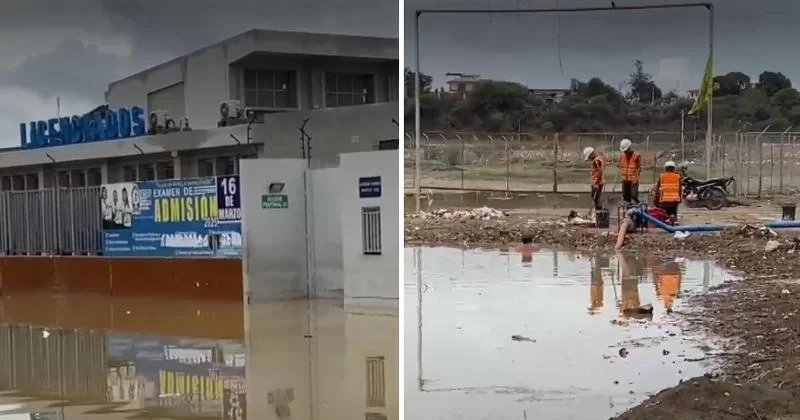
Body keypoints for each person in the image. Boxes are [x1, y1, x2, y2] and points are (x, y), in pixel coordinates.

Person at [618, 138, 641, 204]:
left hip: (633, 180)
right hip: (625, 179)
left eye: (626, 150)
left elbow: (639, 168)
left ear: (629, 147)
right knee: (625, 196)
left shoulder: (636, 155)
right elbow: (621, 166)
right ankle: (629, 209)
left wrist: (636, 178)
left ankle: (637, 206)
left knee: (633, 196)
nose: (624, 151)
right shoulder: (622, 155)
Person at [582, 147, 605, 211]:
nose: (589, 159)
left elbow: (600, 172)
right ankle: (597, 211)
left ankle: (599, 212)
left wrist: (596, 183)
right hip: (597, 182)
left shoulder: (596, 161)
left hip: (597, 183)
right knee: (594, 197)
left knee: (596, 199)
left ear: (591, 154)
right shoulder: (598, 159)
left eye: (589, 157)